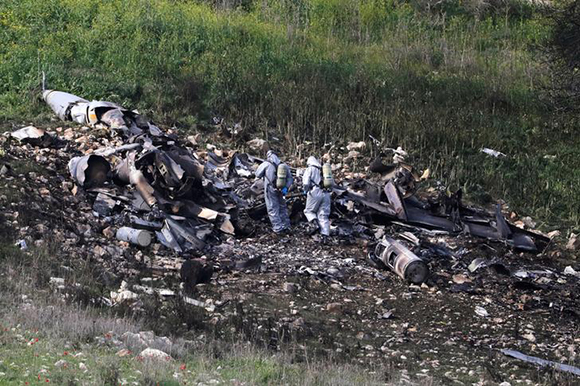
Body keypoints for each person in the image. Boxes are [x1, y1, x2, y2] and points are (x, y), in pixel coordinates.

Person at [255, 150, 293, 233]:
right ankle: (286, 226)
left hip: (270, 189)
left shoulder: (266, 164)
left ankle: (278, 228)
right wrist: (285, 188)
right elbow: (290, 178)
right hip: (282, 189)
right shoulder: (284, 165)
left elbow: (257, 174)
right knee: (282, 207)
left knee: (272, 208)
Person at [302, 156, 332, 236]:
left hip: (315, 191)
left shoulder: (310, 169)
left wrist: (306, 190)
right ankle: (325, 236)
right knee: (323, 215)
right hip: (326, 193)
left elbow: (306, 183)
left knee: (309, 211)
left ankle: (314, 225)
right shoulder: (323, 169)